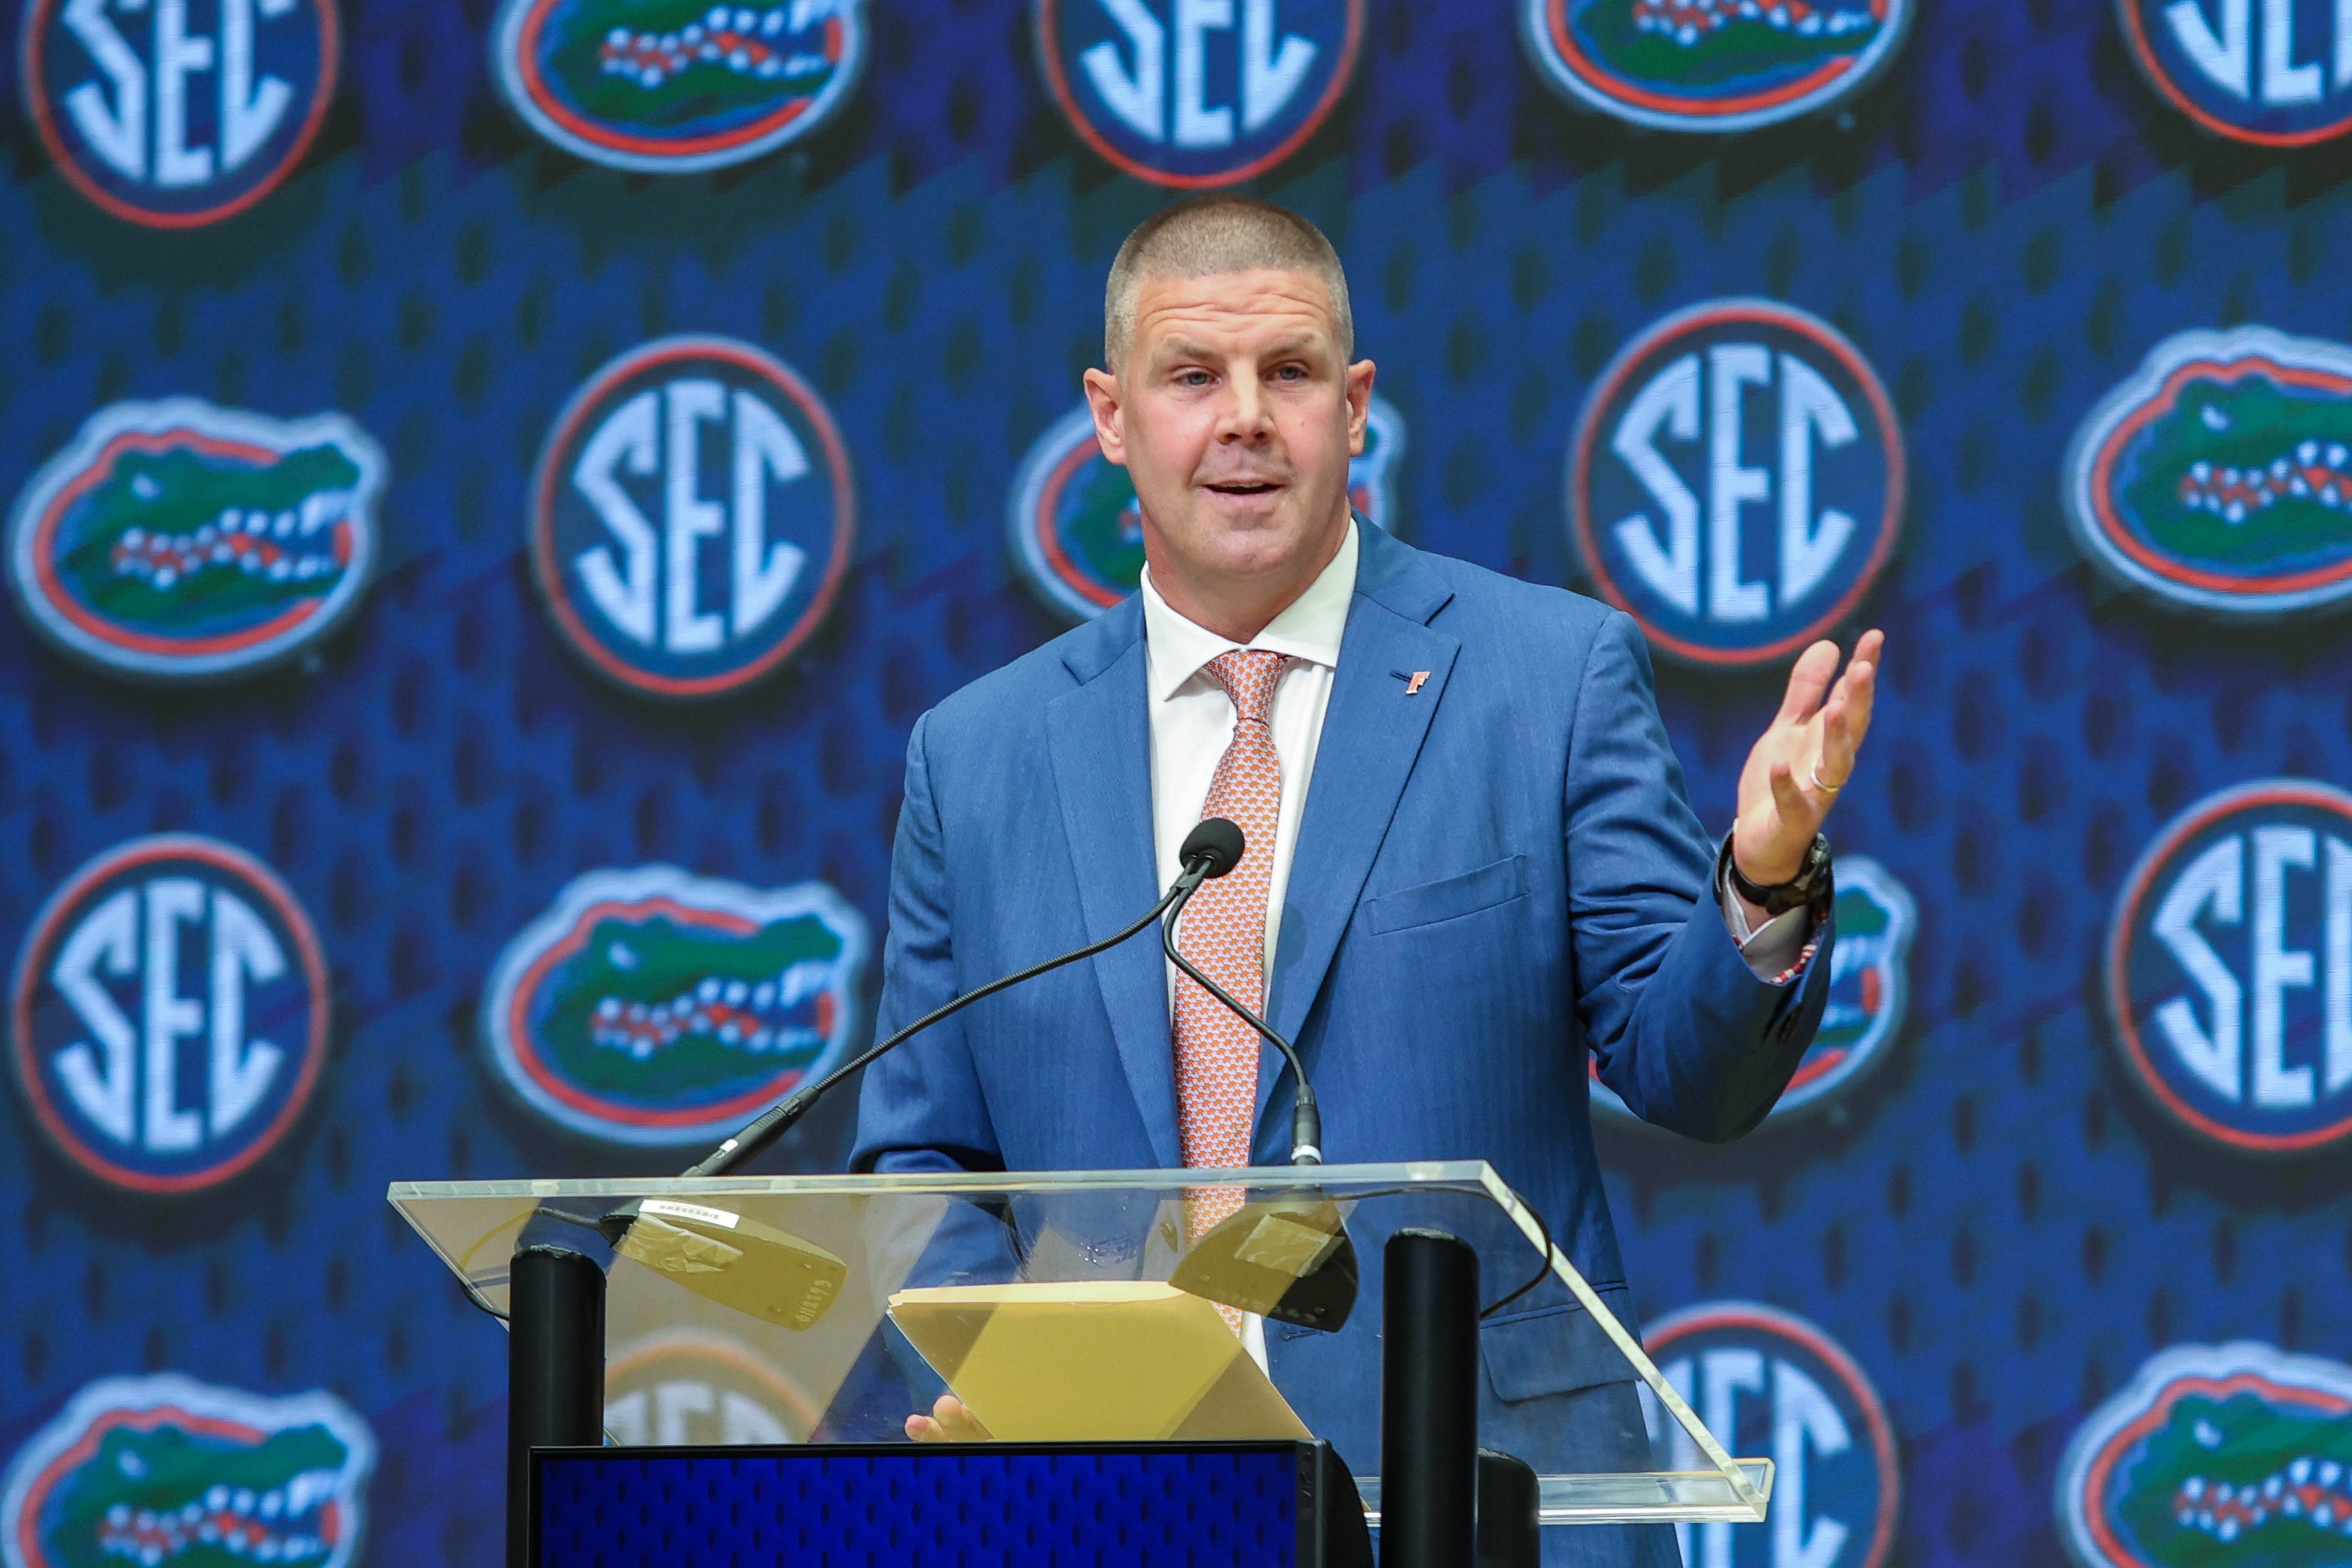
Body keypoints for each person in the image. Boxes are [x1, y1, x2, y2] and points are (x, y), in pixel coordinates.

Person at [853, 195, 1881, 1566]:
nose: (1244, 420)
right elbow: (921, 1157)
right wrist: (1012, 1381)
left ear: (1355, 404)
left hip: (1486, 1501)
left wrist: (1756, 880)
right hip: (1112, 1506)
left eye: (1288, 373)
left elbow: (1691, 1075)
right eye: (1191, 377)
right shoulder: (976, 757)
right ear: (1110, 416)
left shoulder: (1546, 678)